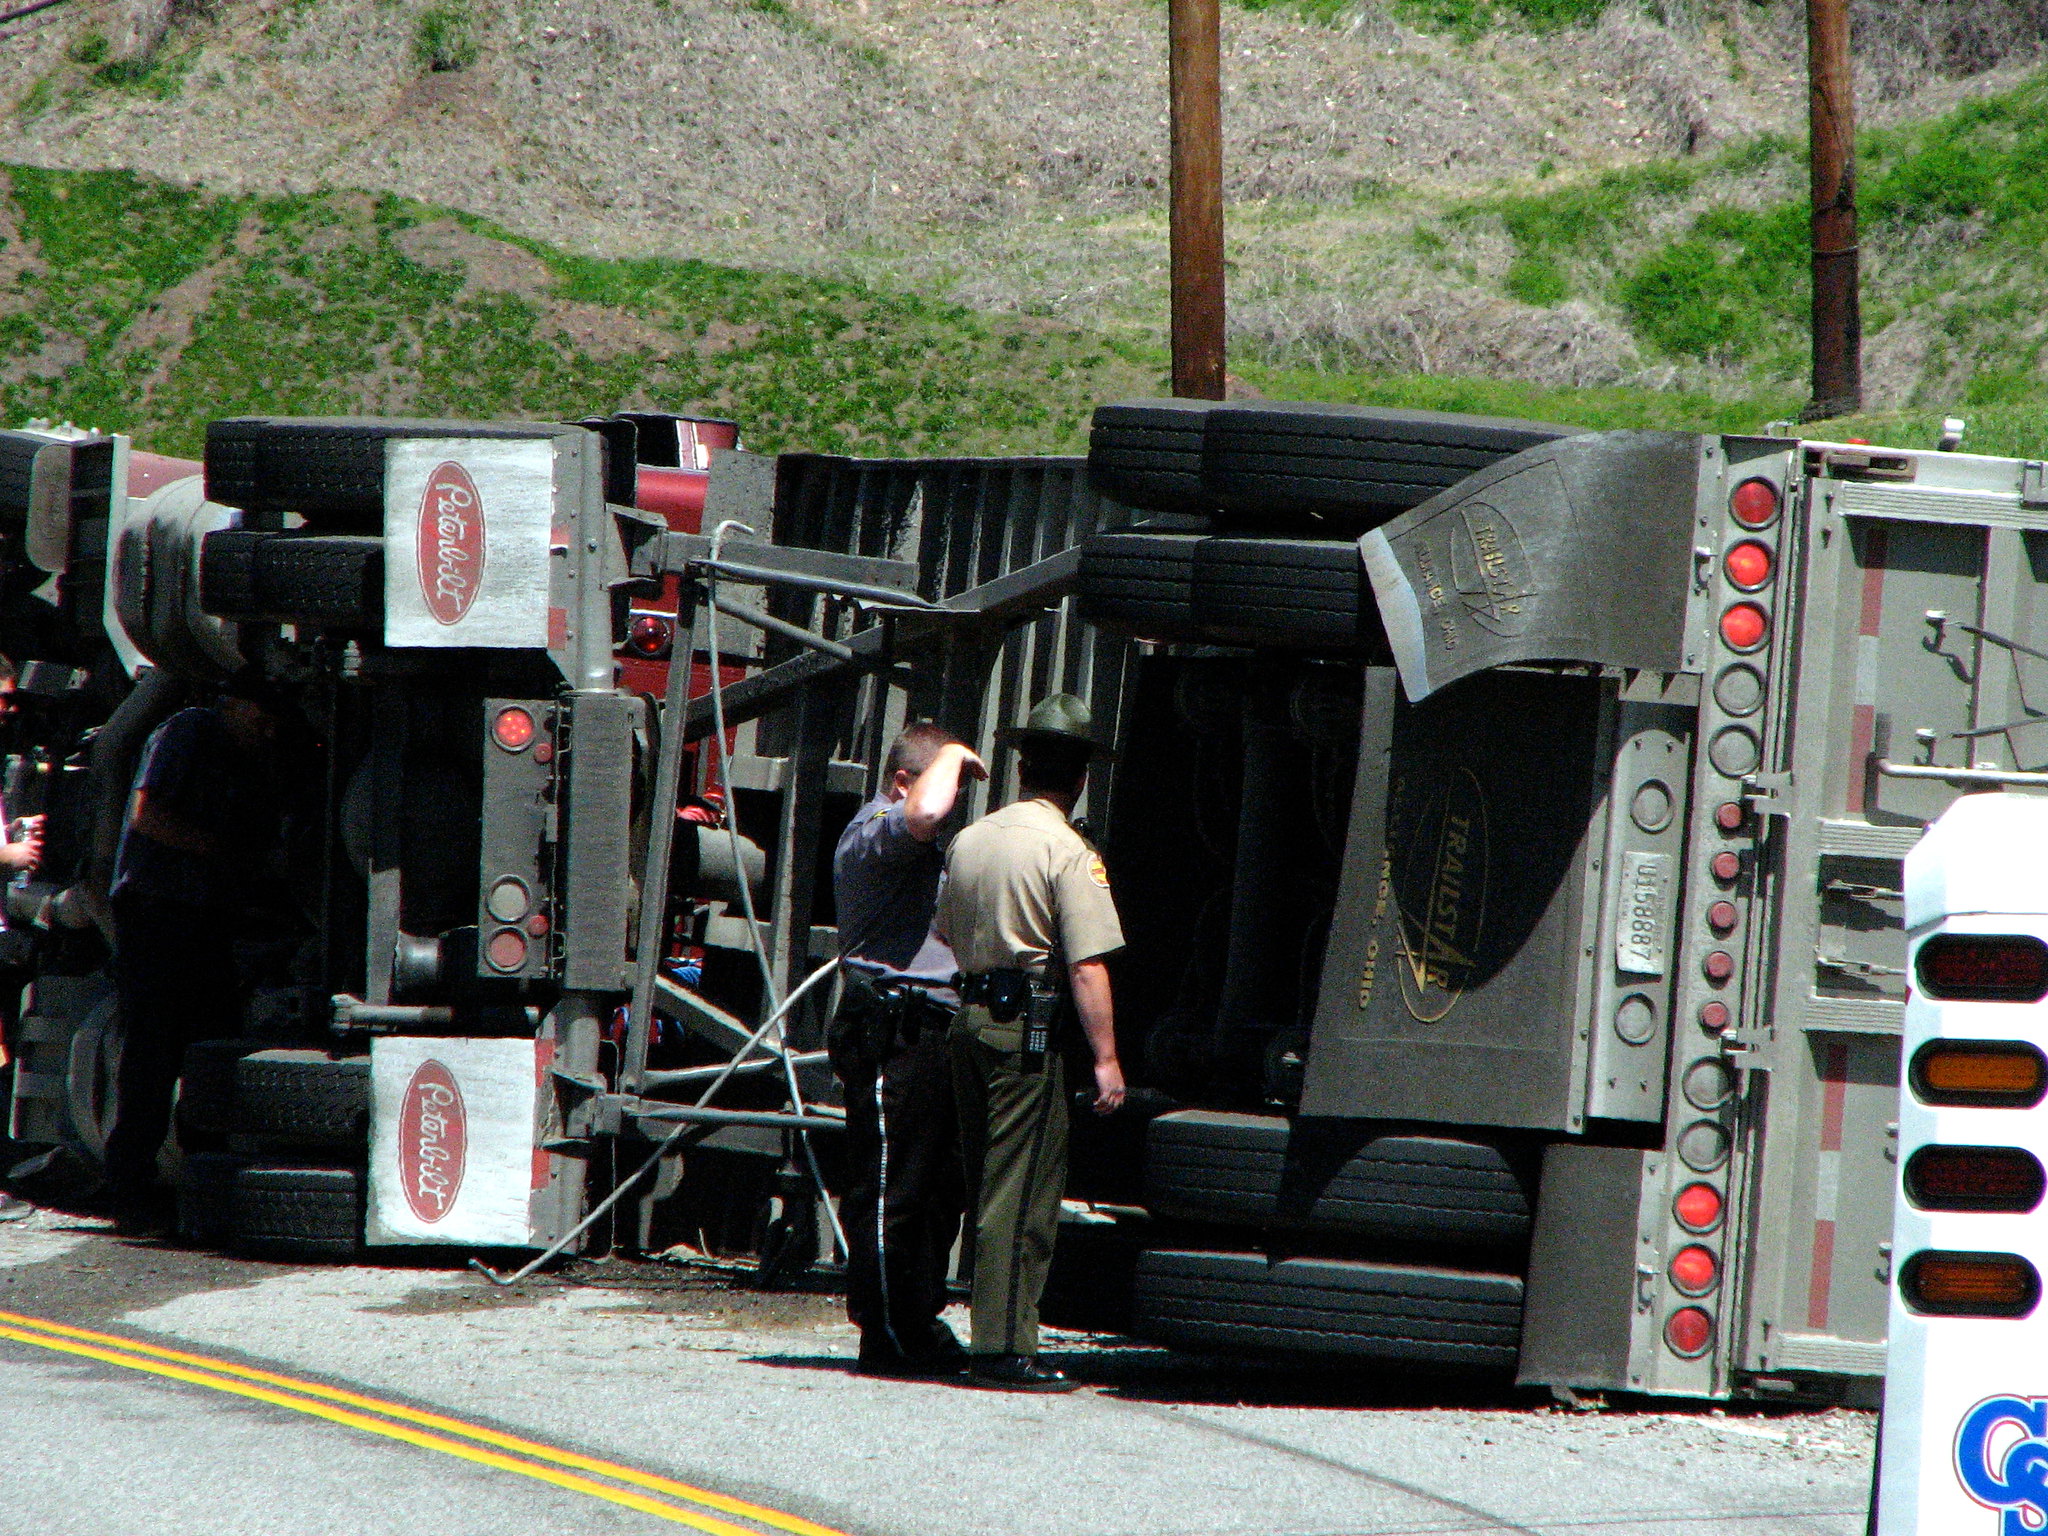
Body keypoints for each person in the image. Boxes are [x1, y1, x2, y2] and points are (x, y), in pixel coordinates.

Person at [934, 693, 1125, 1393]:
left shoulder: (973, 838)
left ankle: (993, 1337)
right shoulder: (1065, 850)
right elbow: (1086, 963)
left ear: (1022, 765)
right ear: (1076, 775)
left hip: (971, 1021)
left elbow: (946, 934)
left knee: (990, 1182)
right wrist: (1105, 1058)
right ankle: (1004, 1348)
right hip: (1026, 1033)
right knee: (1023, 1196)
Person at [829, 721, 986, 1377]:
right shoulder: (878, 831)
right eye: (946, 784)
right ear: (902, 782)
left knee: (937, 1191)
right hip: (895, 1028)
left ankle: (917, 1320)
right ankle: (888, 1334)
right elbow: (923, 812)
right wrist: (950, 755)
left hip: (937, 1031)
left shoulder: (916, 850)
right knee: (893, 1188)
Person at [99, 680, 280, 1229]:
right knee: (155, 1048)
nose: (266, 732)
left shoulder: (239, 754)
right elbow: (147, 815)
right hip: (158, 909)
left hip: (200, 915)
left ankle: (201, 1185)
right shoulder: (191, 730)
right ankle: (129, 1189)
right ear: (233, 702)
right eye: (261, 717)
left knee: (209, 1042)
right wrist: (227, 853)